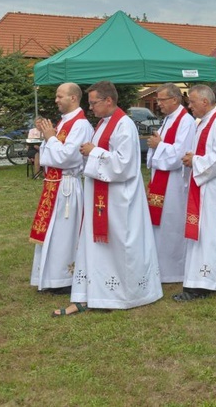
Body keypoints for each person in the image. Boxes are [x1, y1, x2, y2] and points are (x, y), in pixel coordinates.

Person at [53, 81, 162, 316]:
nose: (90, 107)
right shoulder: (103, 124)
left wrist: (94, 152)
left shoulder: (124, 126)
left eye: (93, 103)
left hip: (119, 199)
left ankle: (123, 295)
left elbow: (124, 164)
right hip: (101, 196)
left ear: (108, 101)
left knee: (119, 245)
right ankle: (92, 293)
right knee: (97, 245)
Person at [174, 85, 216, 301]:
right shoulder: (205, 123)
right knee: (206, 234)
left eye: (191, 102)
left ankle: (203, 284)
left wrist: (195, 161)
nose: (189, 106)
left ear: (204, 101)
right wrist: (193, 158)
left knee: (210, 234)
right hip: (205, 186)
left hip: (214, 188)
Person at [30, 83, 93, 295]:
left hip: (66, 185)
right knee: (51, 232)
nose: (56, 100)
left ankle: (64, 278)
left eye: (60, 96)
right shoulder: (65, 122)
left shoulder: (81, 125)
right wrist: (47, 137)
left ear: (73, 98)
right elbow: (50, 154)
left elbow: (67, 157)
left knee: (64, 234)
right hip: (53, 184)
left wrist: (50, 137)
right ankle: (48, 276)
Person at [146, 83, 196, 283]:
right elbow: (160, 145)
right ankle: (160, 266)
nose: (158, 104)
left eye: (161, 100)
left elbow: (180, 154)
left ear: (174, 100)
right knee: (161, 225)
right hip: (161, 180)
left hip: (175, 183)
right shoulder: (168, 120)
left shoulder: (186, 122)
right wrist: (156, 146)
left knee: (172, 224)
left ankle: (175, 269)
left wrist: (159, 146)